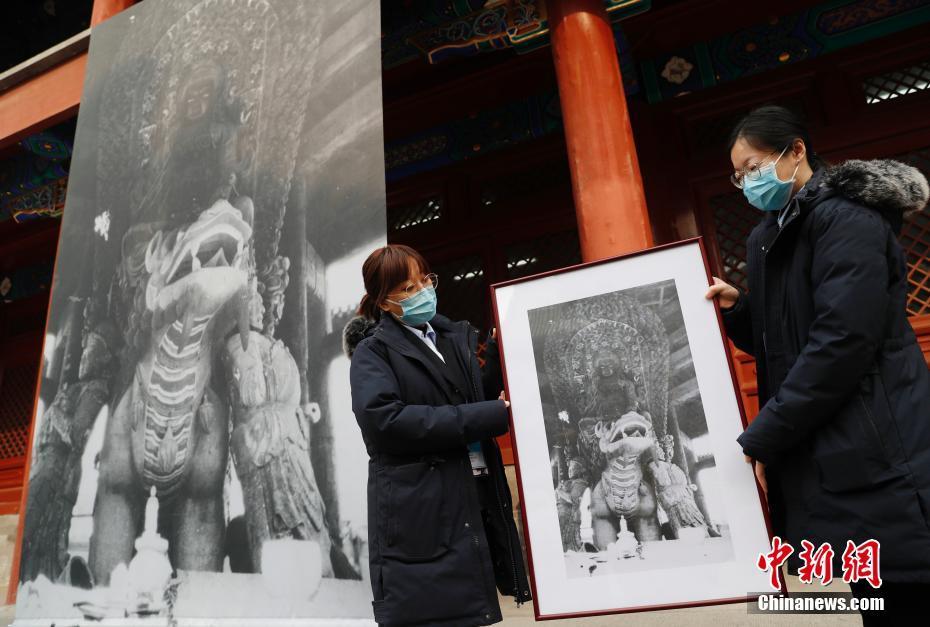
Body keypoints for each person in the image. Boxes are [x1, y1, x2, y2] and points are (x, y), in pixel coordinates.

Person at [705, 105, 930, 624]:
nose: (747, 182)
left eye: (754, 167)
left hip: (880, 437)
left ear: (797, 151)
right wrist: (740, 309)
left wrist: (765, 434)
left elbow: (842, 341)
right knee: (877, 592)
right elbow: (781, 340)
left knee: (910, 584)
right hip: (835, 445)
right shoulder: (768, 235)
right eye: (738, 175)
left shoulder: (847, 218)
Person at [345, 244, 531, 627]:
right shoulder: (373, 353)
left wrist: (497, 350)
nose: (422, 292)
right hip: (421, 509)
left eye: (423, 280)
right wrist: (488, 414)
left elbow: (475, 398)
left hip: (470, 494)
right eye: (407, 289)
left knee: (474, 611)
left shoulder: (451, 339)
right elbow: (386, 421)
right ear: (383, 302)